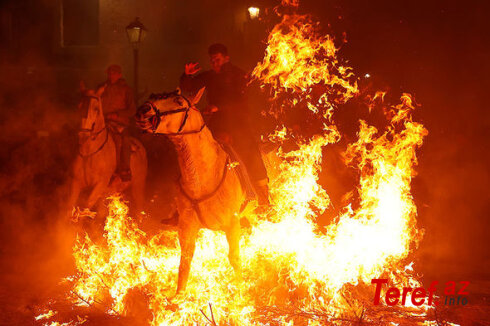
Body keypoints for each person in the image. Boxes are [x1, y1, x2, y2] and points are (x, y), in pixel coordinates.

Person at [180, 43, 269, 205]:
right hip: (218, 123)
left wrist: (218, 107)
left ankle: (263, 197)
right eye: (212, 61)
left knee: (250, 153)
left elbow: (241, 101)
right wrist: (187, 76)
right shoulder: (209, 76)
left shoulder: (238, 75)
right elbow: (188, 88)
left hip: (238, 122)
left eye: (218, 60)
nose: (215, 64)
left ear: (226, 58)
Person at [99, 64, 136, 181]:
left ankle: (124, 169)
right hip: (104, 123)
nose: (111, 76)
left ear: (119, 75)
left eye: (114, 73)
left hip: (120, 123)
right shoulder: (102, 88)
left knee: (123, 141)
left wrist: (117, 115)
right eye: (110, 73)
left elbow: (132, 110)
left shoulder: (126, 90)